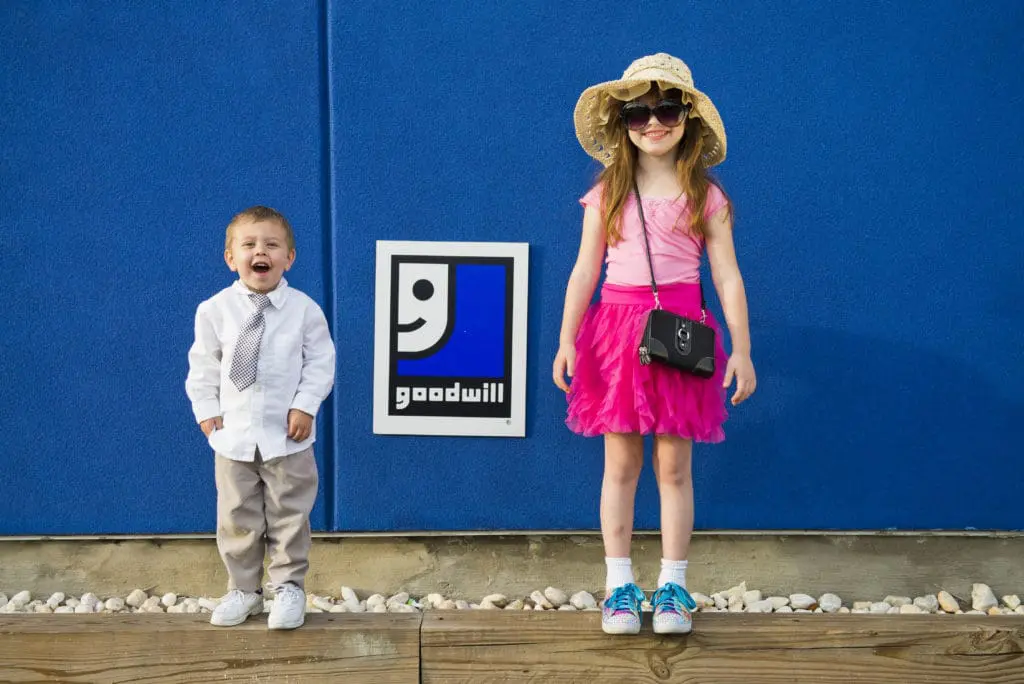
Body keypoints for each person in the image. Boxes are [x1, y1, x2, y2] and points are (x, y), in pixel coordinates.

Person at [554, 53, 756, 635]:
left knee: (673, 465)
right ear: (622, 124)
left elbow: (727, 276)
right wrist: (566, 339)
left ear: (687, 117)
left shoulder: (705, 195)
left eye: (666, 110)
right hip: (617, 334)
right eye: (637, 114)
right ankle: (619, 585)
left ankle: (673, 586)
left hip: (679, 330)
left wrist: (742, 349)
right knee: (620, 464)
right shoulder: (608, 191)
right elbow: (585, 270)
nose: (653, 124)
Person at [185, 206, 335, 629]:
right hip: (233, 438)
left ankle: (288, 587)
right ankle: (244, 590)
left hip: (287, 438)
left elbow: (321, 362)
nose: (260, 252)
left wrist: (305, 405)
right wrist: (206, 411)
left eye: (272, 244)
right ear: (230, 258)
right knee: (237, 517)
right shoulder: (214, 310)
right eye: (248, 245)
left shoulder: (304, 311)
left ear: (289, 257)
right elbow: (203, 365)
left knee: (290, 515)